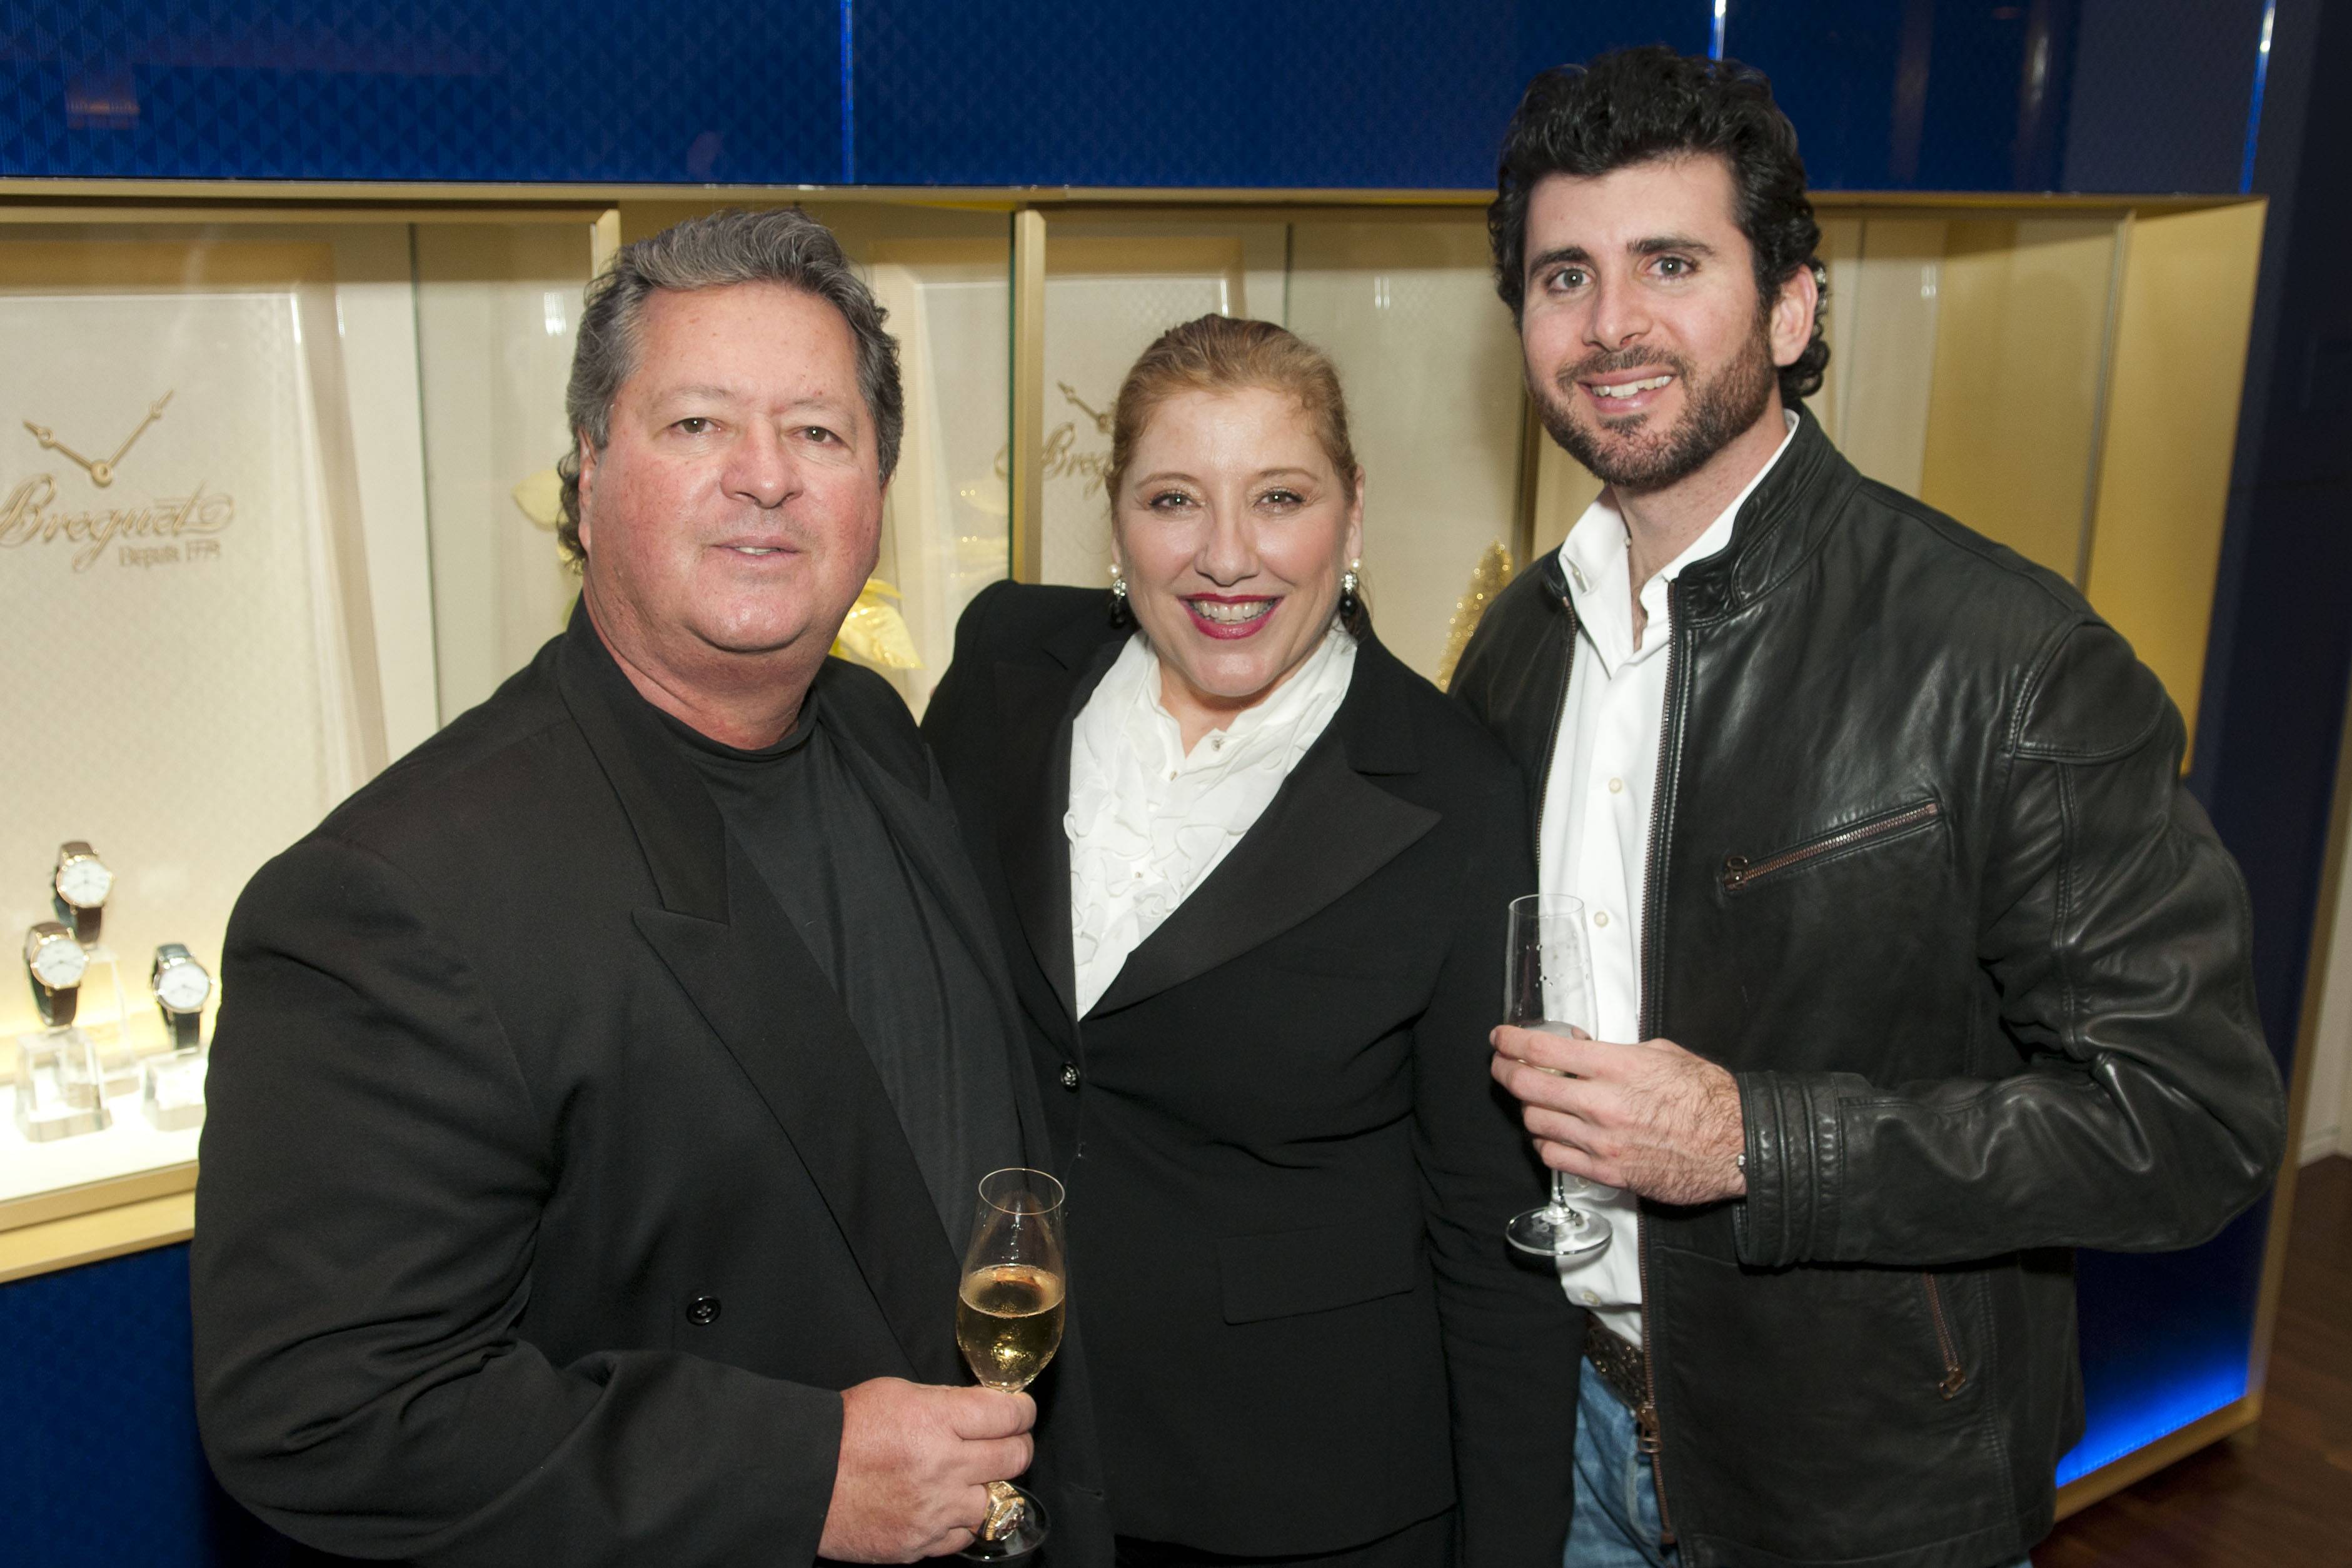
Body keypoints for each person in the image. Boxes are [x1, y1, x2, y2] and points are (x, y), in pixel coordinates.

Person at [1452, 47, 2288, 1568]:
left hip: (1865, 1491)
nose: (1612, 322)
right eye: (1564, 274)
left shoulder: (2011, 664)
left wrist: (1758, 1142)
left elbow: (2194, 1122)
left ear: (1790, 305)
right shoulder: (1517, 652)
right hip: (1562, 1443)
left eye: (1672, 262)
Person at [191, 208, 1111, 1567]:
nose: (765, 478)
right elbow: (325, 1411)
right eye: (695, 426)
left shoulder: (873, 731)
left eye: (819, 432)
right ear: (585, 473)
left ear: (876, 488)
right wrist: (798, 1478)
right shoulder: (390, 899)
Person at [922, 314, 1579, 1568]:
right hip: (1005, 1461)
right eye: (1176, 499)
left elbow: (1492, 1238)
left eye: (1280, 497)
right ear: (1115, 519)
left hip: (1301, 1502)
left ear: (1352, 511)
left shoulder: (1454, 794)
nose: (1227, 557)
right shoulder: (1006, 668)